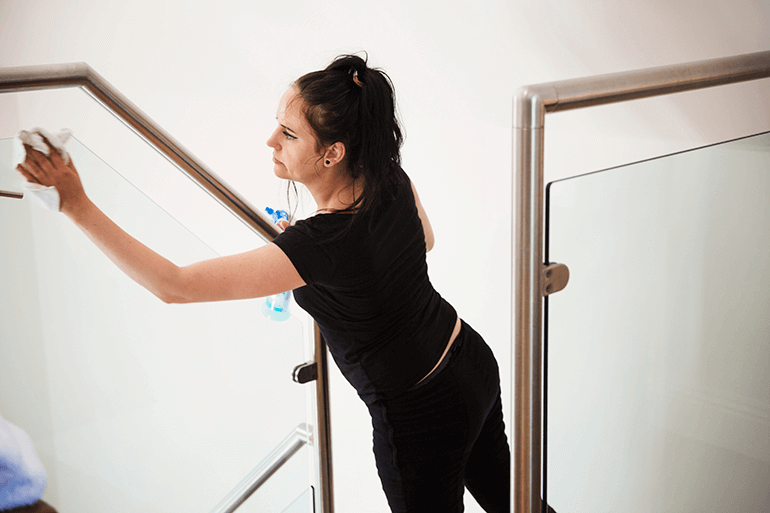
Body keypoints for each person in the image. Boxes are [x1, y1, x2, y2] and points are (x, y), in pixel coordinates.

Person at [17, 54, 510, 512]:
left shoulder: (320, 244)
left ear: (332, 153)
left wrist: (75, 204)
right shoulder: (385, 175)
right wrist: (327, 263)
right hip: (468, 360)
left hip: (422, 417)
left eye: (289, 134)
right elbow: (422, 240)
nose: (270, 140)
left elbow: (174, 284)